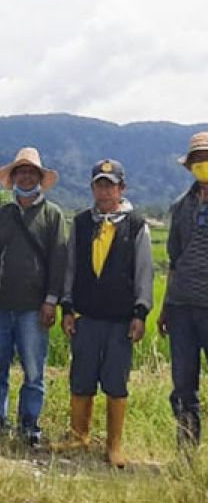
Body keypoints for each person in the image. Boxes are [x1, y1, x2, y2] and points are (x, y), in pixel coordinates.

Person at [59, 159, 153, 468]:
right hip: (87, 317)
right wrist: (68, 308)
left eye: (110, 185)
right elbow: (70, 267)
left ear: (121, 188)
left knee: (116, 381)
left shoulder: (136, 224)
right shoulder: (83, 222)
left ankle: (114, 445)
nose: (104, 190)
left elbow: (144, 272)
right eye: (99, 184)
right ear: (92, 188)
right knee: (81, 377)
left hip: (120, 320)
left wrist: (140, 313)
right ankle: (79, 435)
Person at [0, 148, 66, 445]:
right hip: (2, 305)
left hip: (34, 308)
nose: (26, 177)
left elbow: (59, 261)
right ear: (13, 177)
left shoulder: (52, 215)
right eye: (21, 172)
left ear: (40, 178)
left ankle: (29, 428)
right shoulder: (2, 215)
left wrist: (51, 300)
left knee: (33, 372)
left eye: (32, 172)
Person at [159, 131, 208, 450]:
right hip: (181, 308)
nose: (202, 164)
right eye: (197, 160)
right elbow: (173, 261)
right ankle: (187, 455)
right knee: (184, 385)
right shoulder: (181, 206)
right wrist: (165, 307)